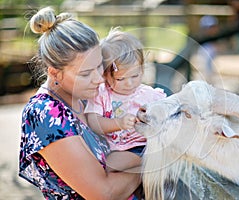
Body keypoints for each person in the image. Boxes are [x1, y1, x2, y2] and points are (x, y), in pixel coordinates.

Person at [19, 7, 141, 200]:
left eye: (99, 65)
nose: (99, 79)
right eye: (85, 74)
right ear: (54, 73)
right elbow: (103, 193)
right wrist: (151, 164)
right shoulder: (45, 113)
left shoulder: (91, 95)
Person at [85, 28, 166, 172]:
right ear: (105, 75)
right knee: (97, 164)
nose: (129, 83)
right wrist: (118, 123)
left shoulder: (150, 95)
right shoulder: (102, 94)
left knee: (110, 165)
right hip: (112, 147)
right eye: (120, 79)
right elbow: (93, 122)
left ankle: (148, 163)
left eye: (135, 76)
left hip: (140, 146)